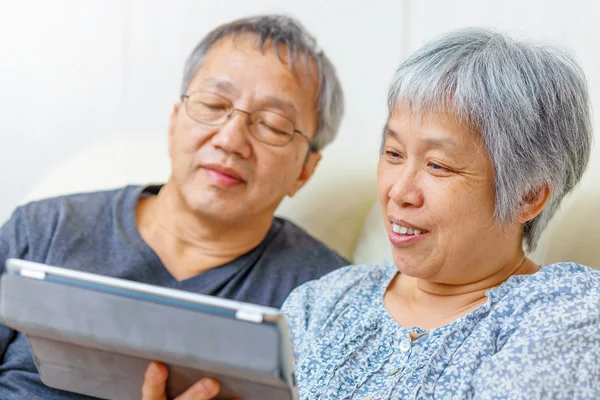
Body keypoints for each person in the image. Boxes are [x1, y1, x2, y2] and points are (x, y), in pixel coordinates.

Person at [144, 28, 600, 399]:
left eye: (438, 165)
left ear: (528, 197)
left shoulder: (568, 310)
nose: (399, 191)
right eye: (394, 153)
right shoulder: (321, 303)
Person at [0, 14, 348, 399]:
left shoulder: (333, 298)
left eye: (271, 124)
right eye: (215, 104)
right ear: (174, 122)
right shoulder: (42, 230)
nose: (231, 139)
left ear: (305, 171)